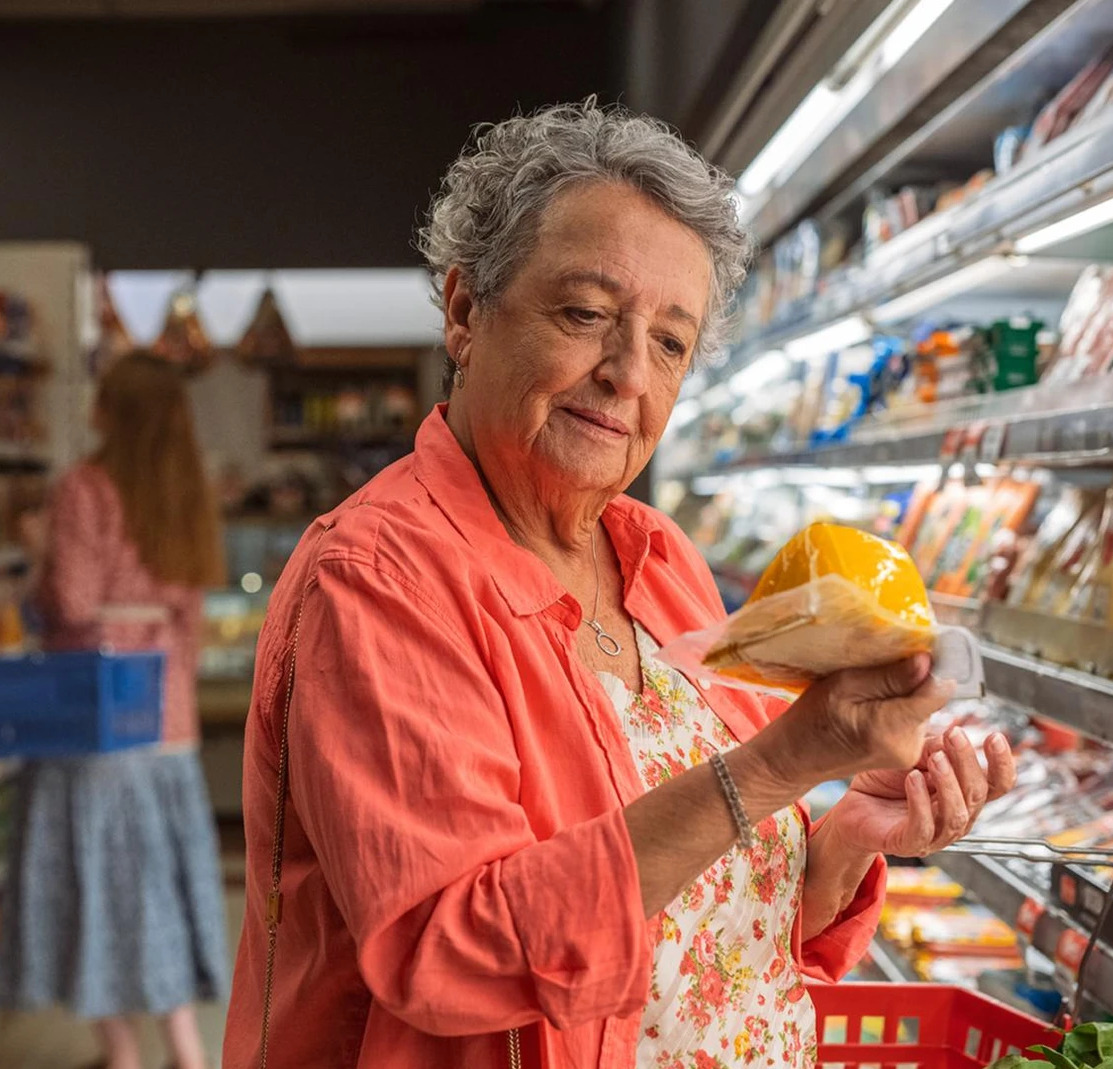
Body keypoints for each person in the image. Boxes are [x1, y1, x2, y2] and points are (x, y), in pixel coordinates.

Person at [222, 102, 1018, 1069]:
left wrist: (845, 829)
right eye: (586, 315)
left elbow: (712, 927)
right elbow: (447, 952)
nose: (628, 374)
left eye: (671, 343)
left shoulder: (661, 558)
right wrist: (777, 762)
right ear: (466, 311)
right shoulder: (381, 581)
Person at [2, 351, 229, 1069]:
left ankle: (125, 1058)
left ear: (112, 412)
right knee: (157, 893)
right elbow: (189, 614)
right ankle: (190, 1050)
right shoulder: (186, 494)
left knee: (93, 894)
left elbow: (69, 599)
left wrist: (38, 554)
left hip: (95, 722)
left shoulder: (84, 489)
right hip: (167, 722)